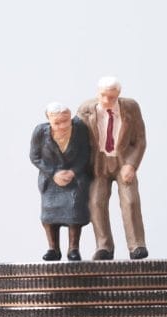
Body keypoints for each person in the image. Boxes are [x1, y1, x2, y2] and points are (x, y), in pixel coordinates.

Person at [77, 76, 149, 260]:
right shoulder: (85, 110)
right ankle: (104, 246)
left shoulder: (131, 108)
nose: (107, 100)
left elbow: (140, 140)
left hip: (123, 161)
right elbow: (77, 140)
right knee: (96, 202)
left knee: (131, 200)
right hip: (98, 162)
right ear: (97, 93)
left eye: (112, 97)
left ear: (118, 94)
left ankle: (137, 245)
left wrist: (131, 165)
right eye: (103, 96)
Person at [29, 102, 93, 261]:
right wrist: (53, 173)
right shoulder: (40, 132)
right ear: (48, 120)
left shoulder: (79, 129)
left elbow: (86, 153)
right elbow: (35, 156)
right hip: (51, 180)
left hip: (74, 178)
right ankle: (53, 248)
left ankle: (73, 249)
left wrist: (73, 171)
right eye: (57, 122)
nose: (63, 125)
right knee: (49, 214)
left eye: (66, 121)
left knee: (74, 211)